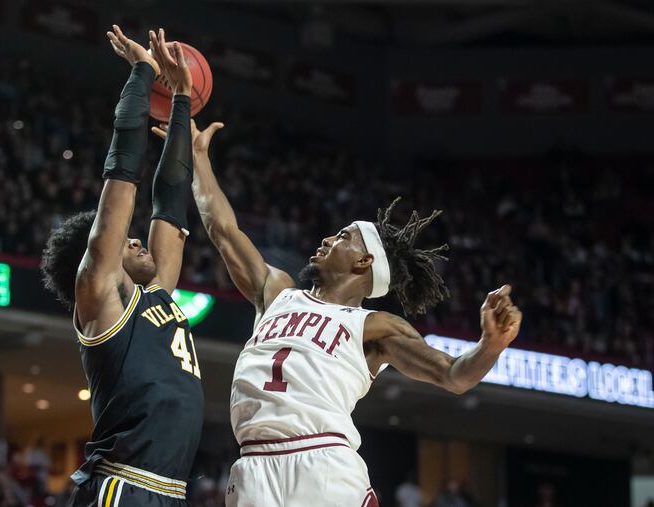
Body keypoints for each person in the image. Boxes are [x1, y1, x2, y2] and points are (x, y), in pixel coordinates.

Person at [152, 120, 522, 506]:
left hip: (322, 461)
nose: (328, 238)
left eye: (343, 236)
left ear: (364, 261)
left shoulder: (374, 327)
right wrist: (198, 159)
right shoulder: (277, 292)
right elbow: (223, 230)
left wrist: (491, 346)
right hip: (253, 464)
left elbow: (452, 375)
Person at [41, 25, 202, 506]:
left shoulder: (159, 295)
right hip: (122, 484)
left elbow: (171, 200)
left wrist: (180, 100)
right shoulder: (101, 296)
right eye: (126, 240)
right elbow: (122, 177)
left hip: (168, 489)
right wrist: (142, 72)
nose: (137, 239)